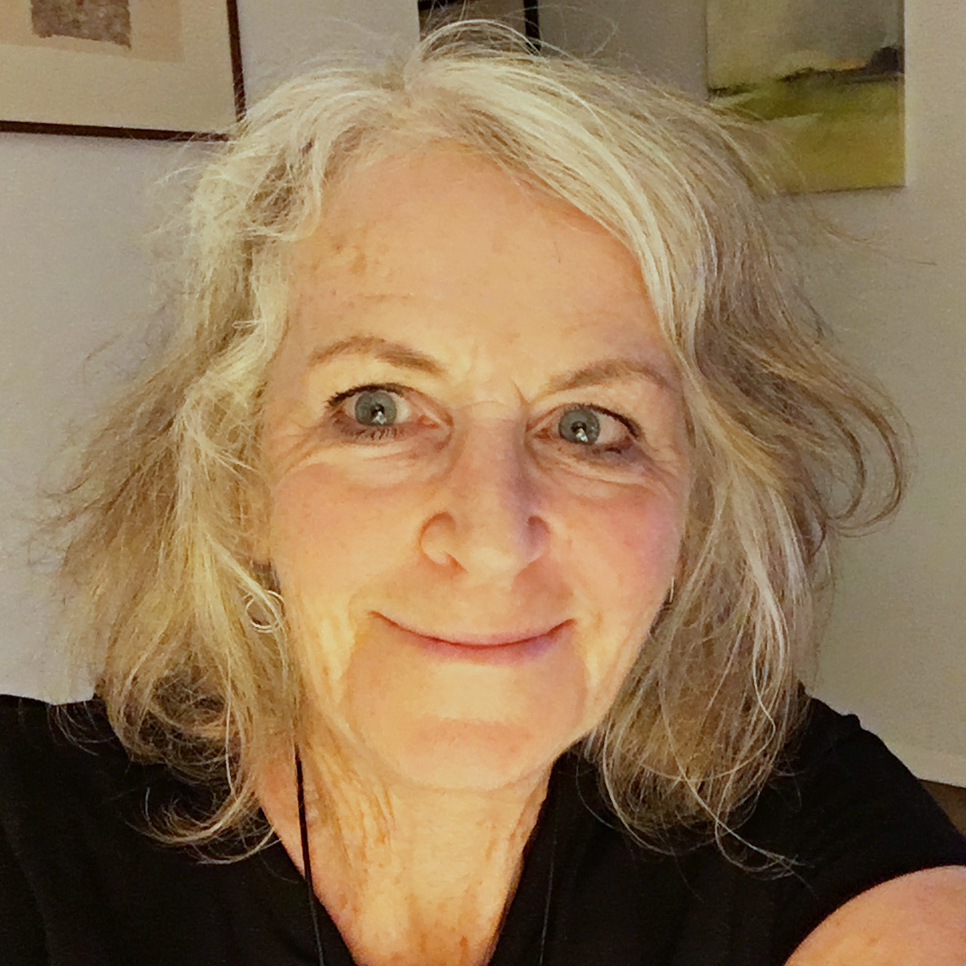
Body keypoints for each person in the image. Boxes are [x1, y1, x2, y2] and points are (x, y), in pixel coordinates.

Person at [2, 22, 964, 966]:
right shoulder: (32, 833)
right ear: (239, 480)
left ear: (695, 509)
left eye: (588, 426)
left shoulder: (799, 826)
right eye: (377, 409)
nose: (493, 535)